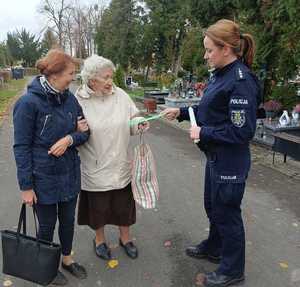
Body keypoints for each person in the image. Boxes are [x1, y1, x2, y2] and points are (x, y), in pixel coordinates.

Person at [162, 19, 261, 287]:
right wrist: (183, 113)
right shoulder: (221, 74)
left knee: (227, 213)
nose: (205, 55)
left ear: (226, 48)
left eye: (209, 50)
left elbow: (242, 132)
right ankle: (215, 247)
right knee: (213, 207)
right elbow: (212, 110)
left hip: (230, 161)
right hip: (215, 157)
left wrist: (203, 133)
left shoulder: (241, 81)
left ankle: (232, 270)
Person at [13, 49, 90, 285]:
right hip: (43, 177)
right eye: (70, 73)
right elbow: (21, 147)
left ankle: (66, 259)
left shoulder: (70, 98)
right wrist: (26, 186)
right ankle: (47, 266)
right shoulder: (28, 103)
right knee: (46, 225)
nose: (73, 78)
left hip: (69, 173)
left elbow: (86, 132)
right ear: (54, 75)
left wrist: (70, 140)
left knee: (67, 221)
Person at [75, 55, 149, 261]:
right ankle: (99, 240)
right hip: (94, 164)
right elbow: (72, 133)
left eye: (111, 76)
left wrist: (139, 123)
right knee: (98, 208)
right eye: (105, 77)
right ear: (91, 79)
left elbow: (133, 120)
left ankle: (126, 239)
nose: (110, 82)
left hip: (119, 163)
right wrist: (74, 129)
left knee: (123, 205)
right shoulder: (79, 100)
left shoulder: (121, 95)